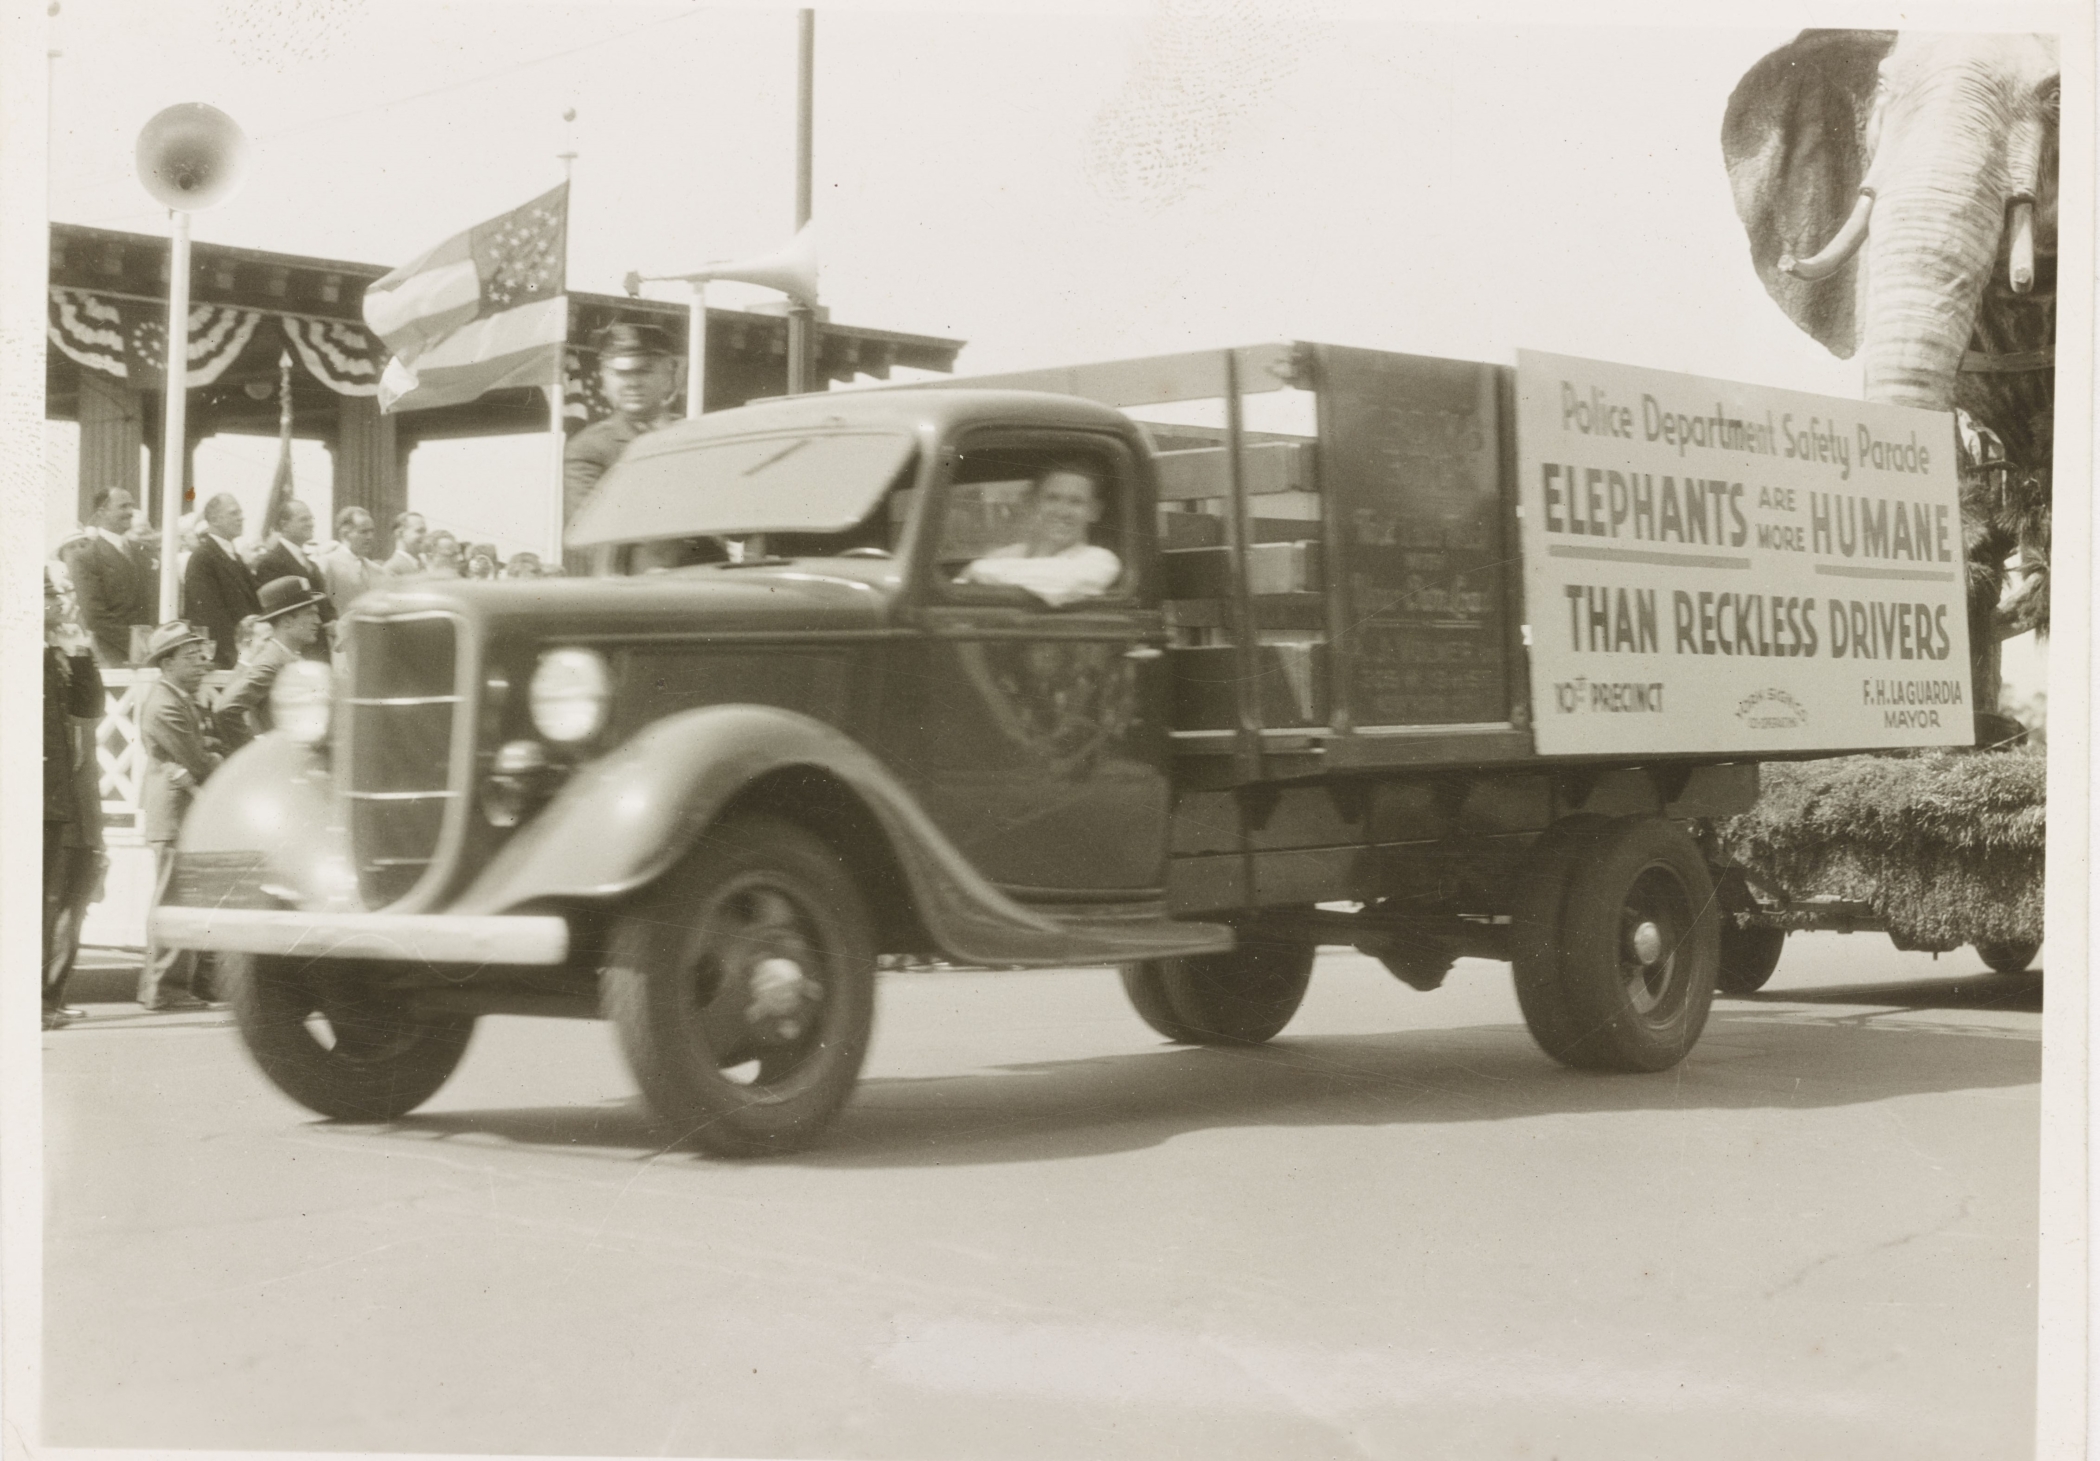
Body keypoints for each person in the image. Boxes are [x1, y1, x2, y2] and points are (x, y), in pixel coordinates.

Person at [135, 621, 223, 1011]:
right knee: (172, 901)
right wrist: (213, 758)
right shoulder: (165, 703)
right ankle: (162, 988)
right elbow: (198, 759)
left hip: (181, 812)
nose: (201, 663)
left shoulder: (178, 698)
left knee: (180, 900)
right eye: (190, 657)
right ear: (166, 662)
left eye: (200, 655)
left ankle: (172, 986)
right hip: (173, 813)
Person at [43, 570, 107, 1029]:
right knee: (41, 903)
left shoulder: (54, 654)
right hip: (40, 798)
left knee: (54, 901)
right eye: (50, 597)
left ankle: (44, 1001)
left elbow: (90, 708)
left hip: (58, 799)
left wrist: (79, 652)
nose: (59, 604)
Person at [563, 322, 681, 571]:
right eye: (621, 373)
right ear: (604, 380)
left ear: (670, 376)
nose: (632, 383)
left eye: (644, 371)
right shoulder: (588, 450)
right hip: (632, 590)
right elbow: (592, 536)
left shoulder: (697, 439)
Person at [956, 467, 1123, 606]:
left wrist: (977, 570)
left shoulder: (1101, 561)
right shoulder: (1004, 556)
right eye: (1052, 498)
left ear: (1094, 512)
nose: (1062, 512)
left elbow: (1060, 582)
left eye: (1076, 502)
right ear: (1033, 504)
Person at [213, 577, 328, 751]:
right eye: (310, 613)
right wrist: (254, 754)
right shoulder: (271, 662)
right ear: (287, 622)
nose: (318, 621)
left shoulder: (287, 656)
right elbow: (225, 709)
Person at [59, 487, 157, 666]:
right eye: (123, 506)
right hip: (113, 655)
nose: (130, 512)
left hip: (150, 654)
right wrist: (138, 647)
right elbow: (95, 616)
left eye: (131, 506)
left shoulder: (141, 552)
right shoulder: (87, 557)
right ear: (102, 512)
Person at [182, 492, 262, 669]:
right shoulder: (203, 558)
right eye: (234, 513)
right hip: (223, 660)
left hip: (244, 657)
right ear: (215, 519)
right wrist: (237, 659)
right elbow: (208, 616)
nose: (242, 518)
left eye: (240, 513)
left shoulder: (235, 558)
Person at [251, 498, 335, 662]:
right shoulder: (271, 563)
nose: (311, 524)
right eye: (304, 519)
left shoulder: (312, 565)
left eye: (311, 519)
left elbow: (324, 605)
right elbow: (276, 615)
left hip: (319, 651)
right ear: (284, 524)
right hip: (293, 654)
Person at [320, 506, 388, 625]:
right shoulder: (328, 564)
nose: (370, 537)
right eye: (363, 532)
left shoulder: (377, 570)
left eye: (372, 531)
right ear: (345, 534)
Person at [385, 510, 428, 576]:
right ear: (399, 533)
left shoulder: (426, 565)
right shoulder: (391, 569)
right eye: (419, 531)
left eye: (425, 531)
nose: (425, 536)